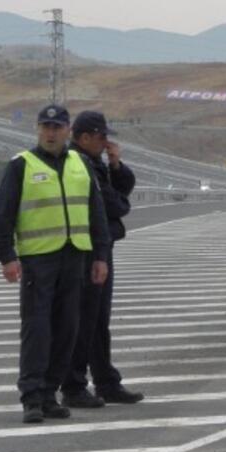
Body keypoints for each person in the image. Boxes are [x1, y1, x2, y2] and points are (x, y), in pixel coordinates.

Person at [0, 104, 111, 424]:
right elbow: (2, 215)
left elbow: (96, 214)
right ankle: (31, 397)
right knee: (37, 329)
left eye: (56, 127)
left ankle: (49, 394)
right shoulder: (21, 165)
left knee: (66, 329)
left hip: (75, 257)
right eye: (45, 126)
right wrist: (7, 257)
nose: (50, 132)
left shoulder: (79, 164)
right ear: (37, 129)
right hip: (38, 259)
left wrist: (100, 255)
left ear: (67, 130)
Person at [61, 111, 144, 408]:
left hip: (99, 247)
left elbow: (121, 191)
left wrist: (116, 164)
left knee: (97, 321)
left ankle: (106, 381)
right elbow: (114, 203)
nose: (106, 142)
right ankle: (74, 385)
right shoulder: (78, 164)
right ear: (84, 138)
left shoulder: (95, 163)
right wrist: (119, 201)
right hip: (85, 250)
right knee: (83, 321)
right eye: (101, 137)